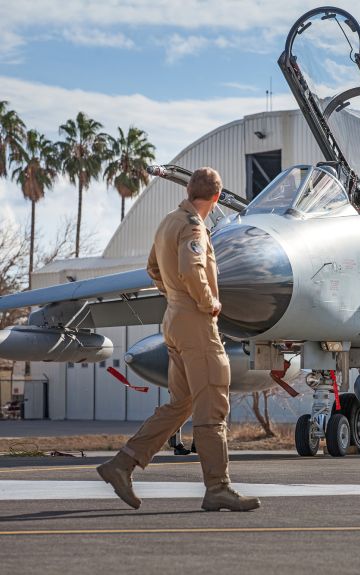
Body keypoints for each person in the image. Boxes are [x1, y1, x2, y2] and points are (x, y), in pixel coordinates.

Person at [97, 167, 260, 512]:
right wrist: (207, 302)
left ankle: (122, 465)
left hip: (172, 320)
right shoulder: (192, 226)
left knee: (180, 404)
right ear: (216, 199)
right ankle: (218, 487)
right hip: (196, 324)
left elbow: (153, 268)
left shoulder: (169, 221)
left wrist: (175, 298)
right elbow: (191, 267)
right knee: (213, 405)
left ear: (189, 191)